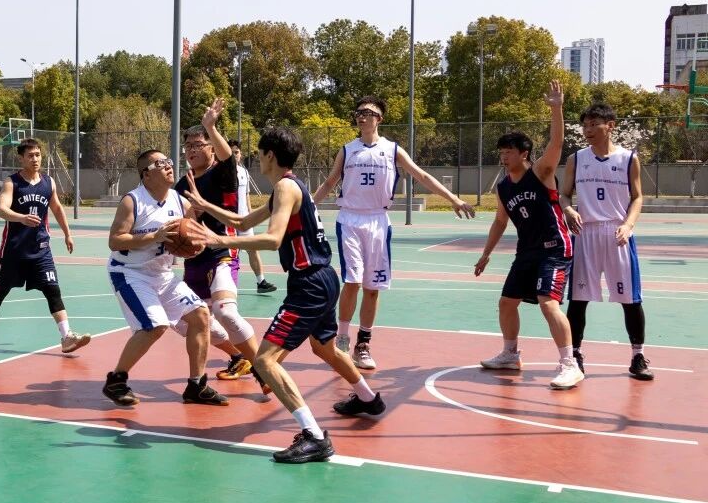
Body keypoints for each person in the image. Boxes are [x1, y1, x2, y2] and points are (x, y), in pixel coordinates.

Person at [184, 126, 381, 464]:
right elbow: (243, 219)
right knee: (324, 347)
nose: (257, 159)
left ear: (270, 155)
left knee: (264, 361)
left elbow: (273, 239)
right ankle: (367, 397)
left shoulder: (286, 187)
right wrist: (206, 206)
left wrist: (220, 241)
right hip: (323, 278)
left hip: (309, 283)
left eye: (260, 153)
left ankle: (314, 436)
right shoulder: (286, 188)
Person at [312, 95, 475, 370]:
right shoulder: (347, 150)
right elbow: (330, 182)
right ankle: (341, 338)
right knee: (352, 280)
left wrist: (453, 199)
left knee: (372, 288)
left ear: (380, 119)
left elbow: (422, 176)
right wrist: (305, 208)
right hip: (350, 219)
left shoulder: (392, 149)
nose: (362, 116)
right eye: (358, 112)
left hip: (378, 220)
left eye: (368, 112)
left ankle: (363, 344)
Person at [473, 80, 583, 390]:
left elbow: (557, 144)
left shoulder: (541, 173)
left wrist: (556, 108)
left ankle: (569, 364)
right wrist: (486, 253)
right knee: (507, 302)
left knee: (549, 302)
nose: (504, 157)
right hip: (527, 251)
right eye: (501, 152)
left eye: (509, 152)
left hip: (554, 249)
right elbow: (499, 222)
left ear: (525, 154)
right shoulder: (504, 186)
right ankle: (510, 354)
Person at [101, 149, 230, 407]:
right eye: (161, 164)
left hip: (162, 274)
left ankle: (197, 385)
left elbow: (195, 232)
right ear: (146, 175)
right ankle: (116, 380)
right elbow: (115, 241)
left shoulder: (179, 201)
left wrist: (198, 243)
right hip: (130, 273)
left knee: (201, 316)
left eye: (169, 162)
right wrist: (154, 237)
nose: (169, 166)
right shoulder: (133, 201)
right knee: (154, 326)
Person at [559, 102, 654, 380]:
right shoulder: (577, 159)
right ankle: (575, 354)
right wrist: (568, 209)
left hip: (617, 234)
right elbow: (564, 194)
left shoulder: (628, 158)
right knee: (578, 299)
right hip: (585, 233)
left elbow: (637, 197)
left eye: (593, 124)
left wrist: (628, 224)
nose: (587, 130)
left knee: (631, 299)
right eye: (585, 125)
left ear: (610, 126)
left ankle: (638, 356)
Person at [174, 99, 263, 385]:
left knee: (225, 312)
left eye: (198, 145)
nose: (192, 150)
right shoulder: (182, 183)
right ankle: (239, 356)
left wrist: (210, 126)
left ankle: (266, 369)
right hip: (193, 258)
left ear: (211, 147)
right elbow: (175, 219)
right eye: (188, 146)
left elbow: (228, 159)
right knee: (185, 321)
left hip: (222, 250)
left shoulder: (221, 172)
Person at [0, 138, 91, 354]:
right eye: (30, 155)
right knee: (1, 291)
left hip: (41, 249)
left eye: (38, 154)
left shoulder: (49, 182)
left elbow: (56, 208)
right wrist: (21, 218)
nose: (35, 159)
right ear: (21, 158)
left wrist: (68, 234)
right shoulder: (12, 183)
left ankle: (66, 336)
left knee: (52, 289)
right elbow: (1, 209)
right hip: (13, 251)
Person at [230, 139, 276, 295]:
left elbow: (247, 195)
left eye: (236, 152)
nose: (233, 155)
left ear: (240, 154)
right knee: (227, 254)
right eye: (231, 152)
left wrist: (250, 214)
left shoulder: (243, 172)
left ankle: (261, 282)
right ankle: (226, 283)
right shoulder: (221, 172)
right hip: (228, 221)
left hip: (244, 221)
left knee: (253, 250)